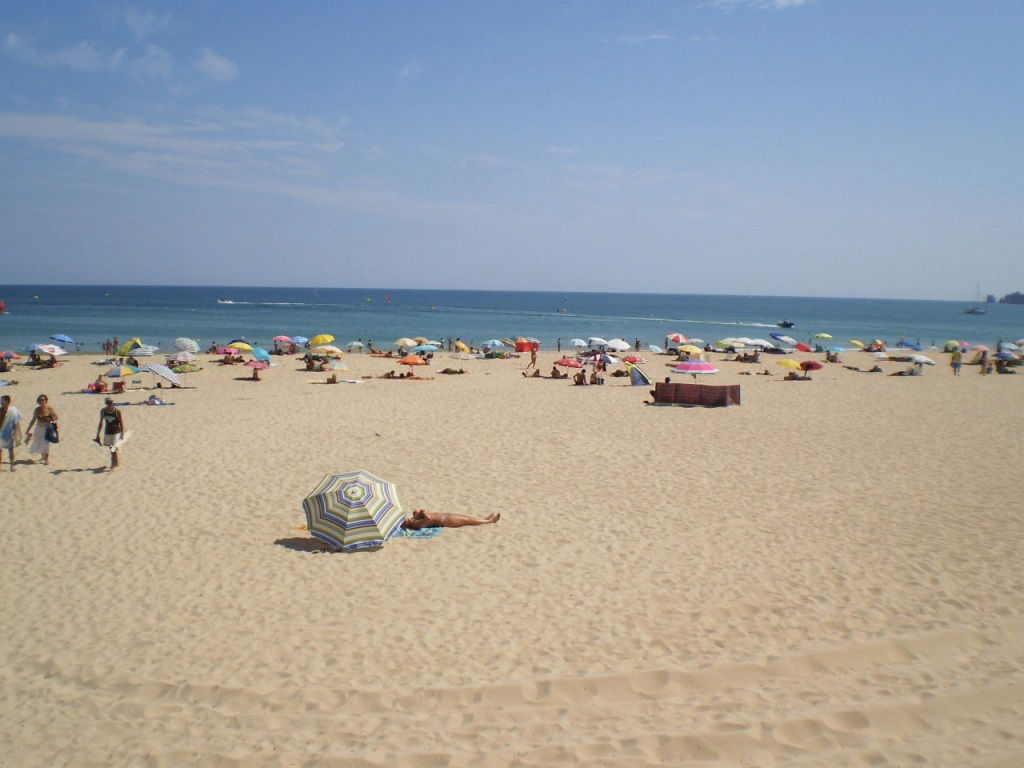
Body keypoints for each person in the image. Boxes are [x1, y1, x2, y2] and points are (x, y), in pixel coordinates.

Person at [25, 394, 58, 466]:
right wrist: (28, 429)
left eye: (43, 400)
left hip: (47, 428)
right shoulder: (37, 409)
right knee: (39, 442)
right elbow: (33, 420)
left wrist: (51, 418)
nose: (41, 401)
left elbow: (56, 417)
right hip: (39, 428)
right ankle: (43, 456)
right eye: (40, 400)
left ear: (46, 401)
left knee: (45, 443)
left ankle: (46, 459)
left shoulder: (50, 408)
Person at [96, 397, 124, 470]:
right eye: (108, 403)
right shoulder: (103, 411)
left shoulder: (117, 411)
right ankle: (116, 463)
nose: (110, 404)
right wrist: (97, 434)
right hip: (108, 432)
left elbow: (121, 423)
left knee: (113, 449)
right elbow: (100, 422)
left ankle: (113, 464)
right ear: (106, 403)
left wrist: (122, 433)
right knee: (111, 448)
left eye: (111, 402)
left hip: (116, 432)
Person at [401, 509, 499, 529]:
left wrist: (416, 514)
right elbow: (428, 519)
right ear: (407, 525)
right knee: (469, 521)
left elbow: (419, 514)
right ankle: (490, 521)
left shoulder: (413, 519)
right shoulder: (415, 524)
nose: (406, 519)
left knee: (468, 517)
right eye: (405, 521)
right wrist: (423, 513)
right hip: (447, 521)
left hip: (446, 516)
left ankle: (485, 518)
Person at [0, 394, 22, 471]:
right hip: (0, 433)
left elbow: (15, 423)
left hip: (9, 433)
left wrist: (14, 433)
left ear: (7, 402)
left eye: (2, 401)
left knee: (11, 450)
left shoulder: (12, 411)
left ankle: (12, 465)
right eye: (0, 401)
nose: (1, 402)